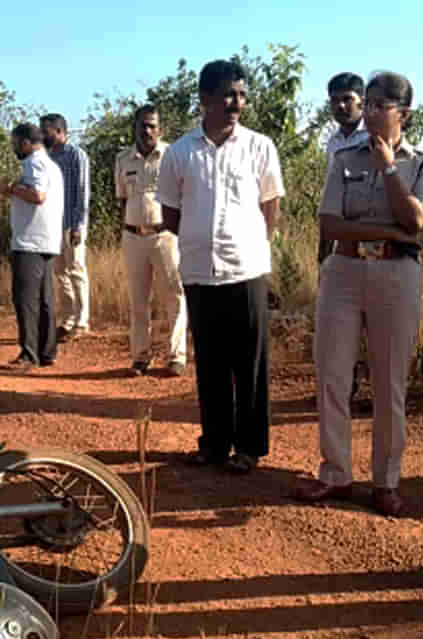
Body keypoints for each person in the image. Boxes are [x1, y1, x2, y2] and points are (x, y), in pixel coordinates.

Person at [293, 72, 423, 517]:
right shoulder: (343, 159)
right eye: (369, 103)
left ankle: (386, 480)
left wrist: (389, 168)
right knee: (332, 375)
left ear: (404, 114)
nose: (371, 112)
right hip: (344, 269)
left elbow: (414, 221)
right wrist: (390, 229)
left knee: (390, 382)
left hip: (396, 275)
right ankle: (335, 471)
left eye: (381, 105)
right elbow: (330, 225)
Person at [157, 59, 285, 475]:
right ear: (206, 98)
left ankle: (249, 448)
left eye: (242, 95)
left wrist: (246, 245)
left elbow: (271, 209)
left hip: (246, 270)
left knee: (249, 363)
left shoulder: (259, 146)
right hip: (197, 270)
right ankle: (213, 444)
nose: (237, 103)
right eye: (229, 94)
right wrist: (200, 237)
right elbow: (171, 214)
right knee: (210, 363)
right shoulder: (179, 152)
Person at [114, 104, 187, 378]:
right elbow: (122, 199)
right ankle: (140, 357)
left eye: (152, 126)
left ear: (160, 129)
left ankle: (176, 356)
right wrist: (127, 228)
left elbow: (183, 197)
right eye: (142, 125)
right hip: (134, 236)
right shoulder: (123, 159)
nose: (146, 131)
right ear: (134, 128)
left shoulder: (172, 156)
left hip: (166, 236)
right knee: (138, 299)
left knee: (175, 296)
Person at [320, 71, 370, 402]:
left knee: (373, 314)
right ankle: (346, 384)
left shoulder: (375, 136)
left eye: (347, 99)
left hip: (371, 233)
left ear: (361, 102)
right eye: (335, 100)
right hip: (340, 235)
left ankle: (374, 385)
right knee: (342, 314)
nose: (340, 105)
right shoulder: (333, 142)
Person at [2, 122, 64, 371]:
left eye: (16, 143)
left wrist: (12, 189)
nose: (14, 148)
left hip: (30, 241)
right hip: (46, 240)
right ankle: (46, 351)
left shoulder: (34, 163)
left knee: (26, 299)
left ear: (26, 142)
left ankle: (29, 354)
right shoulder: (51, 165)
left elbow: (38, 195)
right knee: (44, 299)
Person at [40, 114, 91, 342]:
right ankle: (68, 320)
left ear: (60, 131)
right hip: (53, 224)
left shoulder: (76, 155)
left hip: (72, 224)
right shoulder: (48, 157)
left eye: (46, 130)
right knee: (60, 273)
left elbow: (82, 192)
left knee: (76, 270)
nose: (42, 134)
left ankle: (82, 321)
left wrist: (79, 225)